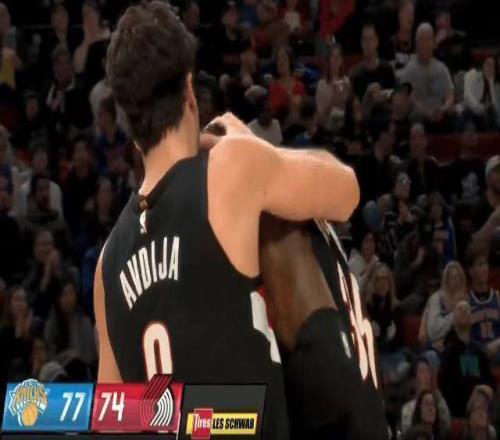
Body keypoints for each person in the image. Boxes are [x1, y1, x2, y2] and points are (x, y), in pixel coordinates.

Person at [95, 3, 361, 440]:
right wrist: (250, 143)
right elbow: (345, 192)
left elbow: (112, 419)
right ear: (189, 90)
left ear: (128, 116)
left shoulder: (107, 264)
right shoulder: (228, 171)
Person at [439, 300, 494, 417]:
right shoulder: (448, 352)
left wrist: (480, 391)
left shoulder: (479, 351)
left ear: (472, 319)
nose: (464, 310)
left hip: (481, 408)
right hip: (456, 410)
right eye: (460, 308)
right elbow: (445, 386)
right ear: (453, 319)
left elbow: (488, 381)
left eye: (467, 309)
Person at [399, 23, 455, 133]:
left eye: (428, 40)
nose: (425, 44)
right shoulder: (409, 70)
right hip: (419, 117)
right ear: (416, 44)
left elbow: (450, 96)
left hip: (440, 114)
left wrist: (443, 109)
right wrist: (427, 112)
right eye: (421, 40)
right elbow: (409, 99)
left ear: (434, 43)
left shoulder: (441, 68)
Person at [44, 279, 96, 366]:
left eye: (72, 293)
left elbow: (91, 355)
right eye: (65, 295)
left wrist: (77, 355)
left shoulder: (83, 320)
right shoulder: (52, 322)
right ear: (58, 299)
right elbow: (48, 355)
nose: (70, 298)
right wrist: (67, 355)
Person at [421, 261, 467, 351]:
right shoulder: (436, 298)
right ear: (446, 280)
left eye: (459, 277)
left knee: (469, 354)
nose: (456, 281)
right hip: (435, 347)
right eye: (453, 277)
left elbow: (467, 332)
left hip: (459, 347)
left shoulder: (465, 298)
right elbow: (434, 332)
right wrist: (454, 315)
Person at [465, 244, 500, 355]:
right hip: (477, 353)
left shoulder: (497, 297)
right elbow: (464, 337)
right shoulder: (465, 300)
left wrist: (497, 343)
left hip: (497, 351)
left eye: (486, 264)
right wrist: (482, 349)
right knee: (466, 355)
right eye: (480, 264)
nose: (485, 269)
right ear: (471, 271)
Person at [349, 22, 396, 105]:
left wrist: (384, 97)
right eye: (365, 39)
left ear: (376, 41)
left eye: (371, 39)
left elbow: (394, 100)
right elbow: (356, 109)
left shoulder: (387, 69)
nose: (368, 44)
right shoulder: (355, 74)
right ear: (361, 43)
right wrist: (368, 95)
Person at [401, 358, 450, 435]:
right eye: (422, 371)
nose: (427, 375)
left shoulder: (437, 401)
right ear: (414, 380)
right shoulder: (408, 408)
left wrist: (436, 393)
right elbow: (408, 433)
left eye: (428, 371)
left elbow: (446, 425)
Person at [73, 0, 110, 90]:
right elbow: (78, 69)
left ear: (98, 14)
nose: (86, 17)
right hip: (93, 89)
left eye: (89, 12)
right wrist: (87, 41)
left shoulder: (110, 34)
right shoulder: (82, 41)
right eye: (83, 14)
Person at [315, 43, 351, 133]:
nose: (335, 59)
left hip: (345, 128)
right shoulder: (321, 85)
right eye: (333, 56)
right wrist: (334, 101)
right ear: (328, 60)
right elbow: (320, 118)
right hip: (327, 130)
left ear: (341, 60)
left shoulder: (347, 82)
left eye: (338, 56)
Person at [268, 46, 305, 122]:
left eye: (283, 57)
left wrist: (289, 94)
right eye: (278, 59)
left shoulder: (299, 86)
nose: (280, 61)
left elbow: (298, 107)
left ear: (290, 61)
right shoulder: (272, 86)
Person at [404, 123, 440, 201]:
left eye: (420, 137)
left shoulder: (432, 164)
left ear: (426, 140)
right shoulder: (405, 167)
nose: (416, 142)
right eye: (413, 138)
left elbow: (436, 190)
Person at [463, 57, 499, 131]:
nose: (490, 68)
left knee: (492, 114)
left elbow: (496, 105)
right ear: (483, 65)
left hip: (487, 113)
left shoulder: (494, 83)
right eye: (488, 65)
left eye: (492, 67)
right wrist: (480, 108)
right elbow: (467, 96)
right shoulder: (473, 74)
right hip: (471, 109)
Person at [472, 156, 500, 245]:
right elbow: (471, 248)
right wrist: (493, 221)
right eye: (497, 171)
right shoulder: (480, 206)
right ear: (488, 178)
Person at [348, 227, 379, 292]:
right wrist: (367, 274)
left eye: (372, 241)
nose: (370, 245)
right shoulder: (352, 264)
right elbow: (355, 289)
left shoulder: (376, 260)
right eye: (366, 241)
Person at [389, 0, 414, 72]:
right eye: (407, 12)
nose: (410, 17)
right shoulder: (389, 44)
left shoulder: (418, 43)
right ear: (399, 15)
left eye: (412, 14)